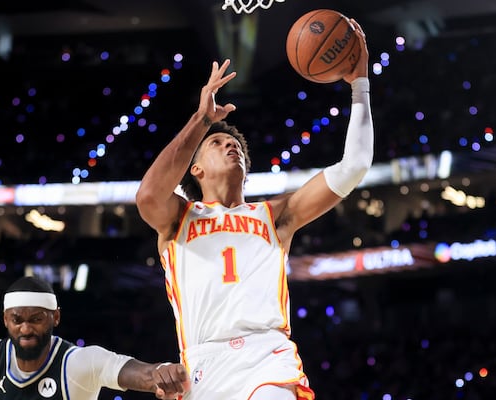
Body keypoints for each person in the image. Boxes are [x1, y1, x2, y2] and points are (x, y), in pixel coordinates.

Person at [135, 18, 373, 400]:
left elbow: (354, 166)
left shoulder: (276, 215)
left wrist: (359, 84)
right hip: (202, 365)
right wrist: (202, 121)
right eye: (217, 144)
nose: (232, 146)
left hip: (268, 356)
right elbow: (147, 195)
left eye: (237, 147)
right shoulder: (178, 219)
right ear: (194, 169)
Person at [0, 275, 191, 400]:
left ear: (56, 317)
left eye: (36, 319)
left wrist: (159, 373)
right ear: (5, 320)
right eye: (17, 320)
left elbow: (124, 369)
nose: (25, 329)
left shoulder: (76, 364)